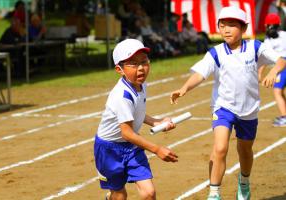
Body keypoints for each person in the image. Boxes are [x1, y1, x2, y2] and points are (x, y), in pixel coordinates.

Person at [170, 6, 286, 200]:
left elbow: (281, 60)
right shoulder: (215, 52)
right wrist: (184, 89)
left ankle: (244, 181)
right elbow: (200, 74)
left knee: (245, 150)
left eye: (232, 25)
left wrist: (273, 71)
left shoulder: (255, 46)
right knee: (220, 147)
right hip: (223, 107)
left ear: (243, 28)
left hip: (248, 109)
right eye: (222, 26)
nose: (226, 30)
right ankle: (214, 192)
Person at [94, 39, 178, 200]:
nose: (141, 68)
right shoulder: (121, 95)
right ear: (120, 69)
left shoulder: (141, 84)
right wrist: (157, 149)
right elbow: (126, 133)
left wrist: (156, 121)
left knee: (149, 193)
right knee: (119, 195)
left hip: (132, 147)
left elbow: (136, 114)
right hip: (109, 149)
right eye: (133, 64)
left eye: (144, 62)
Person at [259, 13, 286, 127]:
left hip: (282, 67)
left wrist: (260, 72)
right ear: (279, 24)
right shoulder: (284, 34)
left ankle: (284, 118)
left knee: (277, 92)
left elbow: (266, 57)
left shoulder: (268, 39)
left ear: (266, 25)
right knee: (281, 91)